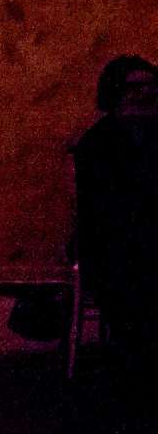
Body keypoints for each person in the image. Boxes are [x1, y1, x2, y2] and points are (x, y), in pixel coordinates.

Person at [73, 53, 158, 377]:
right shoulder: (98, 143)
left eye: (151, 86)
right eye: (135, 87)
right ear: (116, 91)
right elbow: (101, 209)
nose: (146, 93)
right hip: (113, 243)